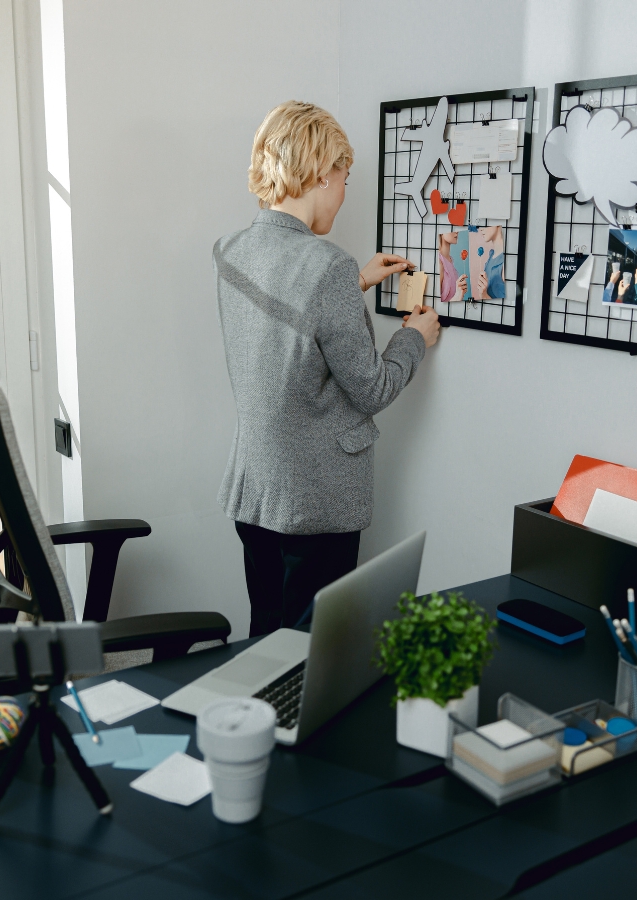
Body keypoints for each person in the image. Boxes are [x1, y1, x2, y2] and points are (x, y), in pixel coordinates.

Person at [213, 101, 442, 637]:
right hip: (316, 502)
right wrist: (414, 338)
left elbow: (282, 329)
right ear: (320, 174)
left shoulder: (232, 251)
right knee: (313, 653)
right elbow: (371, 386)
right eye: (343, 179)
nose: (342, 195)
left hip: (255, 486)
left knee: (267, 633)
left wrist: (355, 286)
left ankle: (261, 721)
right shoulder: (326, 266)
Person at [437, 231, 468, 303]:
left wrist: (460, 293)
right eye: (451, 228)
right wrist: (457, 296)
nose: (457, 232)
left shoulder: (450, 260)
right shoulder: (439, 262)